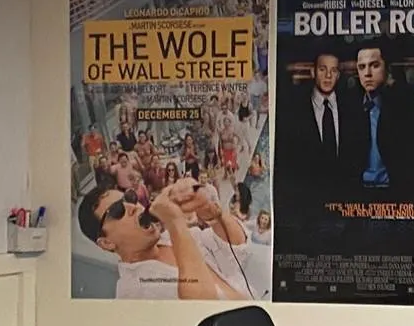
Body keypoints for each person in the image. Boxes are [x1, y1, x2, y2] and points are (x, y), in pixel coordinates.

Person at [77, 177, 254, 301]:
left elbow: (239, 250)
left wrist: (214, 214)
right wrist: (175, 221)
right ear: (106, 242)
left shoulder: (169, 238)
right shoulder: (132, 292)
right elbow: (204, 305)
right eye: (117, 210)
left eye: (129, 198)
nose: (134, 207)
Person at [340, 45, 414, 203]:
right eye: (361, 67)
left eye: (375, 65)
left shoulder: (412, 108)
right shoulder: (349, 111)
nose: (367, 74)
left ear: (387, 68)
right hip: (359, 198)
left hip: (399, 197)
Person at [279, 49, 348, 213]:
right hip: (306, 206)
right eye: (323, 69)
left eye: (333, 71)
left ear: (338, 75)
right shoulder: (294, 110)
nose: (328, 76)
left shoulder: (351, 108)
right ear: (313, 72)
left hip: (345, 204)